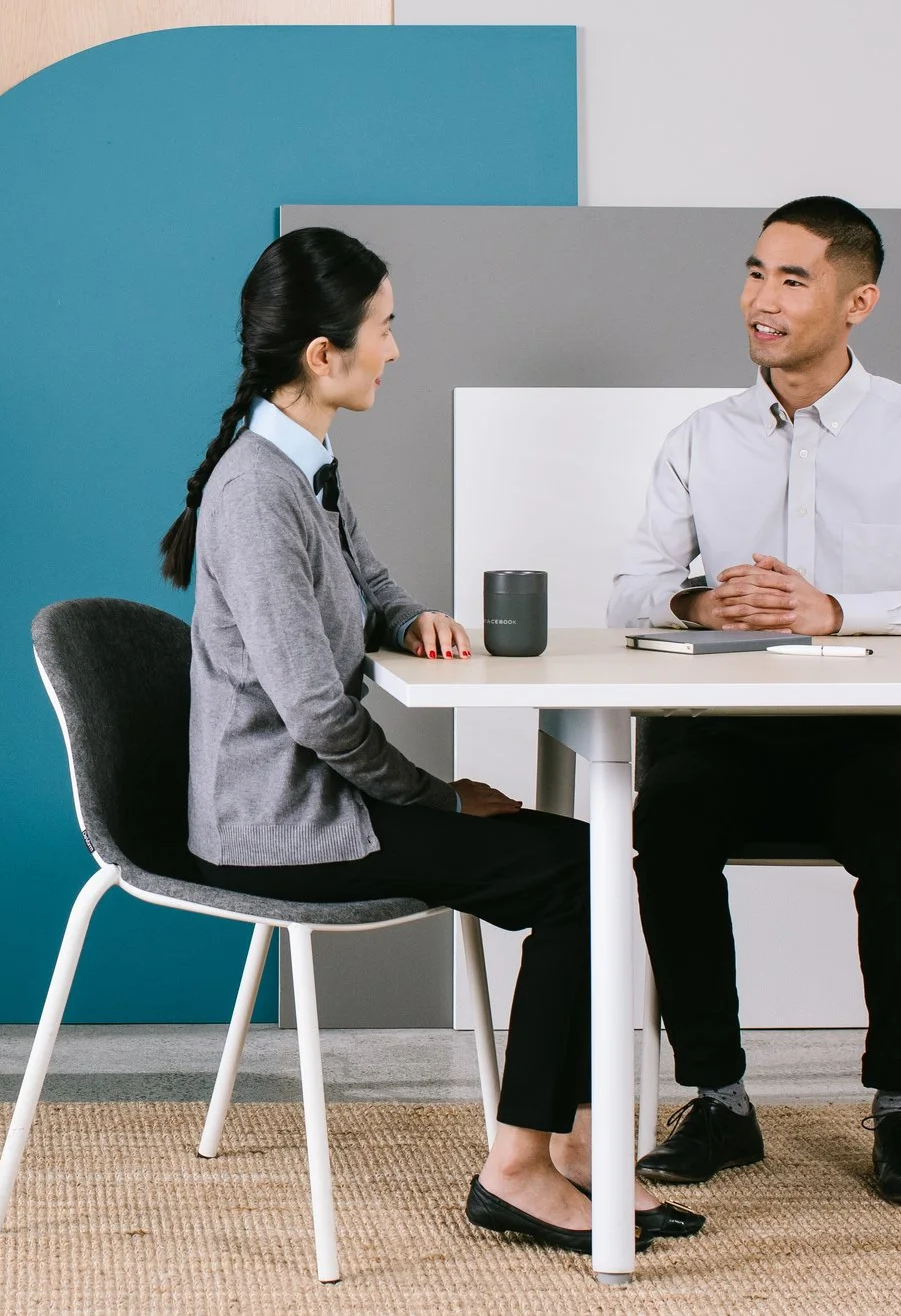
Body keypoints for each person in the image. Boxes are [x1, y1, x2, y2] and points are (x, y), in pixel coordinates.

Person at [168, 226, 699, 1255]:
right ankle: (518, 1168)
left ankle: (582, 1147)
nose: (398, 350)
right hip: (283, 825)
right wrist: (438, 795)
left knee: (587, 859)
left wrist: (411, 618)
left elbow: (365, 577)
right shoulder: (254, 493)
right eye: (386, 327)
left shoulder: (304, 461)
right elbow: (318, 714)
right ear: (324, 353)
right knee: (578, 870)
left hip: (314, 802)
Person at [609, 196, 901, 1207]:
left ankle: (899, 1109)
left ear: (858, 301)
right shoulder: (697, 438)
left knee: (897, 829)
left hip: (858, 728)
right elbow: (625, 592)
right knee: (663, 816)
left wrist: (836, 609)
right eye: (755, 272)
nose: (761, 298)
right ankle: (719, 1097)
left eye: (792, 279)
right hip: (719, 728)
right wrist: (698, 598)